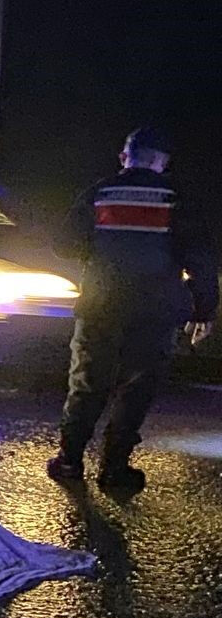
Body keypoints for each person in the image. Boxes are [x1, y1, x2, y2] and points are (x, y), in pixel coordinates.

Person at [48, 128, 217, 491]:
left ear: (126, 156)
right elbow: (201, 259)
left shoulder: (100, 192)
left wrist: (101, 253)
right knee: (135, 389)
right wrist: (203, 311)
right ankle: (114, 469)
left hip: (100, 304)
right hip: (155, 310)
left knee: (86, 384)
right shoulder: (176, 198)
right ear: (162, 161)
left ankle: (69, 461)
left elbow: (63, 243)